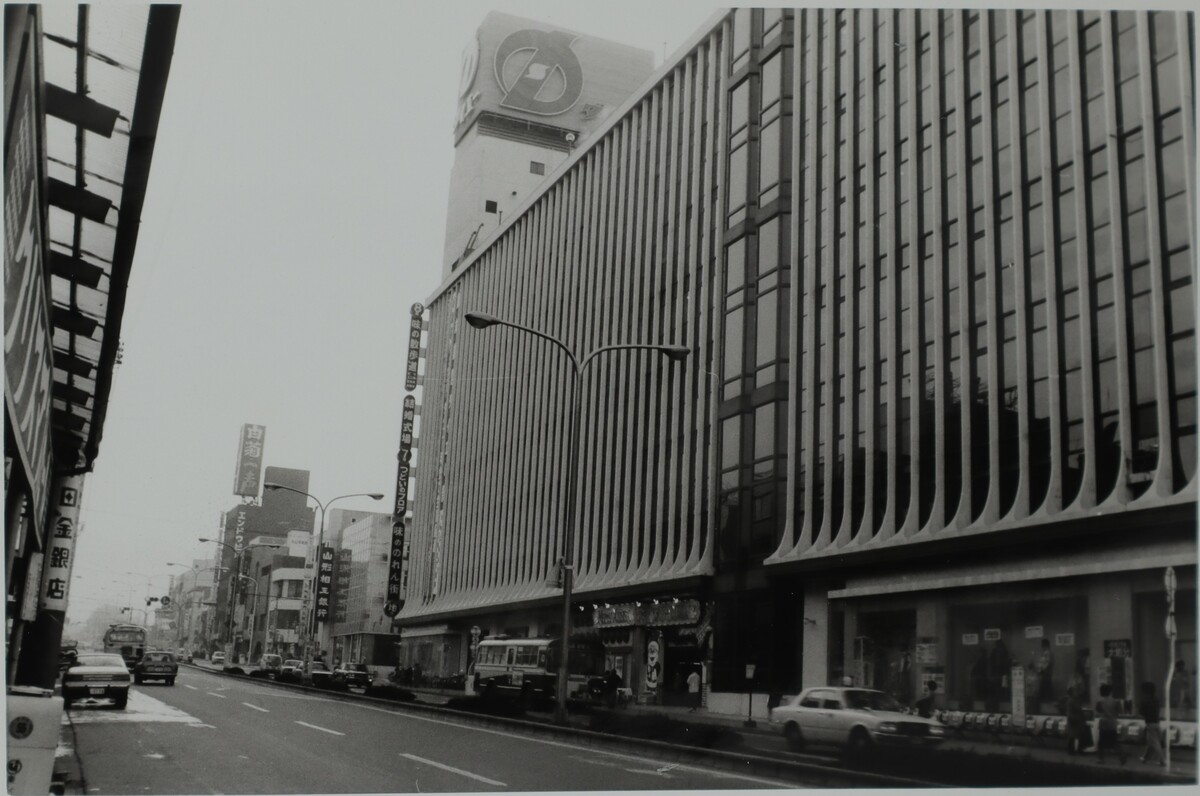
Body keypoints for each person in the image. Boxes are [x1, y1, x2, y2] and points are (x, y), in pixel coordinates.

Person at [1095, 683, 1126, 764]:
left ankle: (1100, 759)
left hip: (1104, 723)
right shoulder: (1115, 701)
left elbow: (1098, 710)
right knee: (1114, 741)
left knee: (1101, 742)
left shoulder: (1100, 701)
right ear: (1110, 692)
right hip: (1112, 723)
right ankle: (1121, 753)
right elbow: (1120, 712)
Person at [1138, 681, 1164, 766]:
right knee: (1152, 743)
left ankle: (1162, 760)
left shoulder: (1145, 700)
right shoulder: (1156, 699)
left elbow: (1141, 712)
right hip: (1157, 723)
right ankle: (1146, 758)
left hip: (1150, 724)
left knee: (1154, 743)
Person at [1064, 685, 1089, 755]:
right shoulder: (1071, 701)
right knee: (1073, 736)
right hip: (1074, 720)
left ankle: (1077, 750)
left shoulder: (1075, 700)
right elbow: (1071, 711)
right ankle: (1073, 750)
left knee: (1078, 735)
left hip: (1077, 720)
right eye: (1075, 691)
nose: (1076, 693)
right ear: (1072, 693)